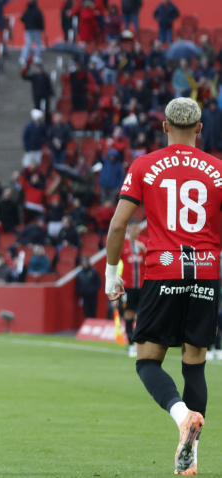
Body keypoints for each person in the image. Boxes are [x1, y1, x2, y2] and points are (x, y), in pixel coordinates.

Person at [105, 97, 219, 476]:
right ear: (199, 128)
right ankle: (191, 456)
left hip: (164, 271)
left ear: (165, 127)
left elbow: (118, 225)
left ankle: (182, 416)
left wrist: (111, 273)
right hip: (206, 272)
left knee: (148, 361)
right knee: (195, 363)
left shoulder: (144, 165)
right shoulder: (219, 170)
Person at [118, 217, 147, 358]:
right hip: (128, 286)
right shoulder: (122, 244)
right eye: (134, 227)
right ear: (128, 228)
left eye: (138, 228)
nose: (136, 230)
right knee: (128, 314)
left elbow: (155, 259)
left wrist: (144, 249)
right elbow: (115, 263)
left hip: (143, 286)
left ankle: (140, 344)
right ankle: (131, 345)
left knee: (142, 315)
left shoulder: (145, 242)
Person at [20, 0, 45, 65]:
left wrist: (28, 23)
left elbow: (22, 19)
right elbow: (41, 20)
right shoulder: (37, 11)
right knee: (38, 44)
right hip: (36, 30)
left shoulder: (27, 11)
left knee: (27, 44)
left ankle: (23, 58)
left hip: (28, 30)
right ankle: (36, 56)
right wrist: (42, 28)